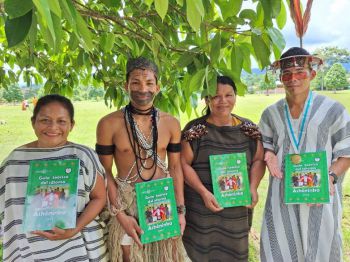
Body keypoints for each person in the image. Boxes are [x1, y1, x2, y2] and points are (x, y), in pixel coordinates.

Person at [259, 47, 350, 262]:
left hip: (320, 193)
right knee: (279, 248)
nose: (293, 79)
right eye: (287, 74)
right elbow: (265, 144)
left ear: (312, 74)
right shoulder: (270, 114)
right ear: (281, 78)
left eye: (300, 72)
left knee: (322, 247)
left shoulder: (333, 111)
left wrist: (331, 178)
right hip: (281, 195)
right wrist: (269, 153)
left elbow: (346, 151)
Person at [96, 57, 185, 262]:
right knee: (129, 255)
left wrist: (180, 210)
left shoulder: (171, 123)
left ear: (158, 87)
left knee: (166, 256)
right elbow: (104, 172)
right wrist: (120, 216)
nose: (142, 88)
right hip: (126, 202)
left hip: (161, 200)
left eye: (149, 83)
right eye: (135, 82)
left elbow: (175, 167)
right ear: (126, 85)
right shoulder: (109, 124)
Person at [0, 94, 108, 261]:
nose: (53, 127)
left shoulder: (83, 156)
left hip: (78, 249)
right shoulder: (15, 161)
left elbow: (100, 197)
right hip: (31, 251)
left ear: (71, 125)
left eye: (61, 121)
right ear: (33, 122)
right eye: (45, 120)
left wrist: (75, 227)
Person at [181, 76, 265, 261]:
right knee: (200, 253)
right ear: (207, 99)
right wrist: (203, 192)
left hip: (237, 210)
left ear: (235, 96)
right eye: (216, 96)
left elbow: (259, 160)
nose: (223, 101)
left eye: (229, 95)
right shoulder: (195, 130)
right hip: (201, 209)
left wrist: (252, 187)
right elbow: (183, 164)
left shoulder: (248, 129)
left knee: (234, 253)